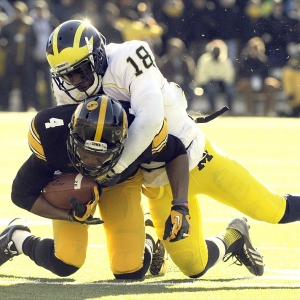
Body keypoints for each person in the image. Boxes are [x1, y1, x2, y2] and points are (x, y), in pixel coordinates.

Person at [42, 20, 268, 279]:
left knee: (194, 265)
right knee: (126, 269)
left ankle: (234, 236)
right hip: (124, 168)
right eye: (67, 75)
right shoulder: (66, 91)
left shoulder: (128, 57)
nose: (75, 81)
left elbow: (151, 122)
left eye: (81, 70)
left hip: (162, 159)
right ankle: (149, 241)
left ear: (98, 56)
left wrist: (113, 168)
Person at [0, 94, 190, 279]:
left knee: (130, 271)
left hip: (120, 182)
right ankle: (17, 238)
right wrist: (68, 215)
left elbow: (177, 152)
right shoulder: (53, 135)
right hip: (73, 183)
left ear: (124, 143)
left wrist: (181, 205)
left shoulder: (139, 133)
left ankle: (148, 237)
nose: (91, 162)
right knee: (65, 262)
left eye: (101, 155)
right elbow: (21, 194)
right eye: (84, 151)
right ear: (72, 135)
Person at [0, 1, 36, 111]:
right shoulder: (9, 26)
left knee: (27, 85)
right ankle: (4, 106)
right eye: (17, 12)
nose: (18, 14)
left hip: (25, 61)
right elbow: (2, 39)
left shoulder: (29, 26)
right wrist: (7, 49)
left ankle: (26, 106)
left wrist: (30, 51)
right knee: (7, 84)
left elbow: (35, 40)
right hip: (11, 60)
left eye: (20, 12)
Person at [236, 37, 280, 116]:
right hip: (248, 83)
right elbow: (240, 74)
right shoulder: (244, 60)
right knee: (246, 85)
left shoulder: (264, 60)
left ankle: (267, 111)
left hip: (261, 82)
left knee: (271, 84)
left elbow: (267, 74)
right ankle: (249, 111)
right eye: (252, 49)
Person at [194, 39, 236, 113]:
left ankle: (230, 110)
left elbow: (230, 76)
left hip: (221, 83)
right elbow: (201, 76)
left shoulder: (225, 61)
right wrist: (210, 81)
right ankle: (212, 110)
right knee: (211, 90)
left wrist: (222, 81)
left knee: (230, 89)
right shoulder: (204, 60)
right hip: (208, 83)